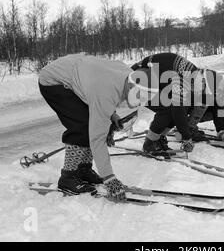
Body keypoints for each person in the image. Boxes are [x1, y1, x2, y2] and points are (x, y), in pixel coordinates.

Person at [38, 53, 153, 199]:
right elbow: (97, 138)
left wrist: (112, 115)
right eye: (140, 96)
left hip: (76, 72)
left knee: (90, 122)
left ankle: (83, 170)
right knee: (82, 126)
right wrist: (109, 177)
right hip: (53, 80)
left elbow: (107, 92)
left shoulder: (130, 76)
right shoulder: (105, 92)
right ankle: (68, 177)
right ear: (132, 86)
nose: (140, 101)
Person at [131, 52, 201, 154]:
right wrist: (186, 137)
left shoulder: (192, 72)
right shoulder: (184, 78)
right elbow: (178, 109)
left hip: (149, 77)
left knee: (174, 108)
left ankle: (158, 138)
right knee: (168, 108)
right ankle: (150, 143)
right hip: (137, 81)